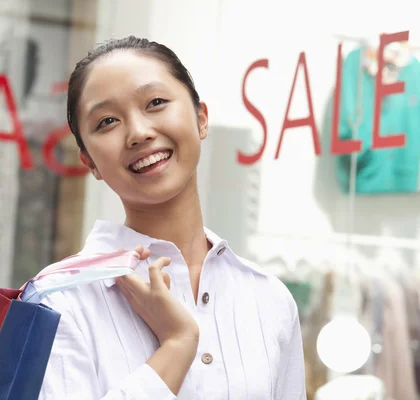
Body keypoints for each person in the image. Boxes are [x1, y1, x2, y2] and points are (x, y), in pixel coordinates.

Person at [38, 36, 306, 399]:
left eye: (156, 102)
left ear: (201, 119)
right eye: (107, 122)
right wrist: (177, 346)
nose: (139, 132)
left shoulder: (268, 299)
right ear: (90, 163)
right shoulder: (59, 300)